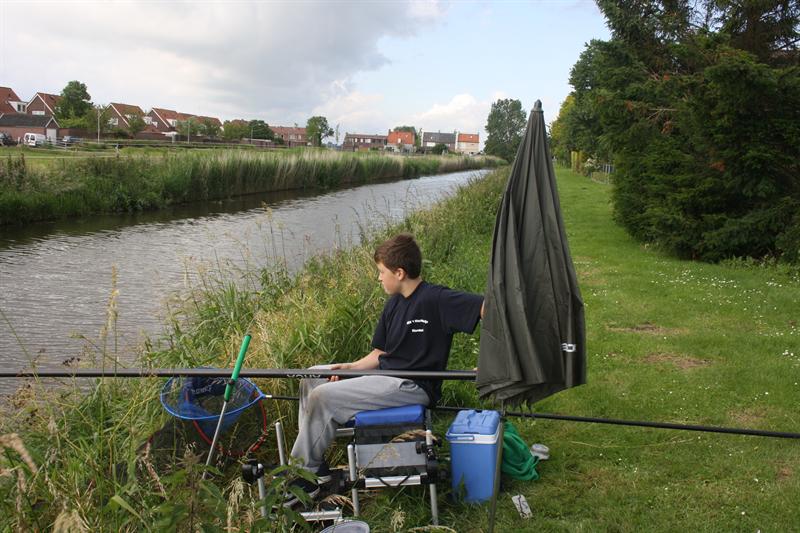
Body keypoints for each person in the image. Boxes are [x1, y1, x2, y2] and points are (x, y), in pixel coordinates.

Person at [286, 233, 484, 505]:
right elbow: (380, 354)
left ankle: (302, 478)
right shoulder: (394, 303)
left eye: (381, 271)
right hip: (385, 377)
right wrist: (350, 367)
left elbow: (488, 307)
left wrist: (490, 359)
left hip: (413, 386)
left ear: (399, 273)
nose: (378, 278)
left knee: (323, 396)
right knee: (312, 377)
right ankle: (316, 468)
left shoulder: (437, 298)